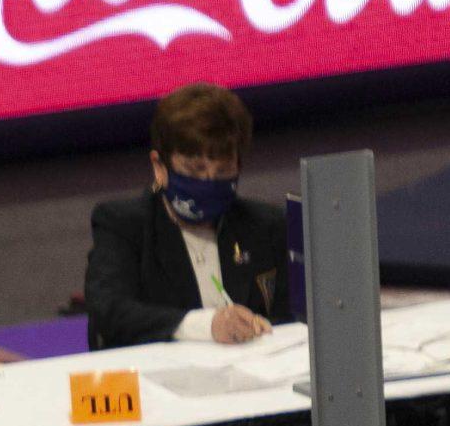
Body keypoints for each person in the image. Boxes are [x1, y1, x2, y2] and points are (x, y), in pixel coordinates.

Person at [83, 83, 293, 349]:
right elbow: (110, 311)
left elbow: (296, 316)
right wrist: (207, 326)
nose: (208, 181)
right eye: (195, 169)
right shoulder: (122, 224)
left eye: (222, 170)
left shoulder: (267, 226)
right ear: (160, 167)